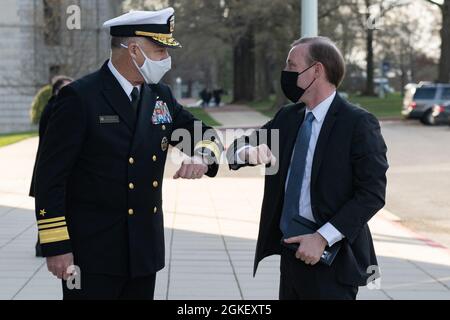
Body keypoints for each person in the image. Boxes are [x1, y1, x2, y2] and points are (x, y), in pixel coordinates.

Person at [34, 8, 222, 300]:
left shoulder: (160, 96)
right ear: (133, 49)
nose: (166, 60)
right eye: (160, 50)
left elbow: (207, 135)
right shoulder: (80, 98)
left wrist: (201, 157)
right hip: (92, 254)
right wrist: (56, 245)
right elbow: (50, 177)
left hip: (144, 252)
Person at [227, 36, 388, 300]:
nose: (286, 73)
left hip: (332, 259)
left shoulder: (358, 123)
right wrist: (248, 151)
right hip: (291, 255)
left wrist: (322, 237)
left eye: (292, 66)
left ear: (316, 70)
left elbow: (372, 194)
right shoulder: (288, 117)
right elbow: (237, 146)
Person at [29, 75, 73, 257]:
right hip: (49, 165)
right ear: (56, 91)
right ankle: (45, 244)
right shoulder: (54, 108)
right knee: (49, 208)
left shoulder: (57, 106)